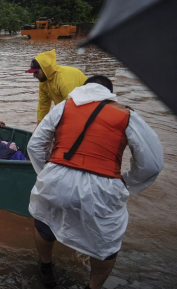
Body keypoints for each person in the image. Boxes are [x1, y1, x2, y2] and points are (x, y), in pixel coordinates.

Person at [27, 76, 164, 289]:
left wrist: (47, 173)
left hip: (56, 176)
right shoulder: (126, 115)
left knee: (44, 221)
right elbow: (152, 164)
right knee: (106, 244)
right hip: (103, 185)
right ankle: (92, 286)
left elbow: (35, 145)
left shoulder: (64, 106)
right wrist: (128, 182)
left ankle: (46, 269)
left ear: (83, 88)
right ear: (110, 93)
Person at [26, 49, 87, 125]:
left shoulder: (63, 80)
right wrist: (38, 130)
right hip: (70, 109)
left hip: (86, 109)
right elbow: (43, 107)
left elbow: (72, 108)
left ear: (45, 69)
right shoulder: (43, 82)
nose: (34, 76)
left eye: (36, 72)